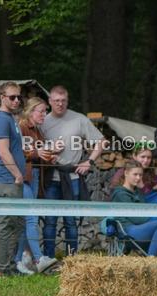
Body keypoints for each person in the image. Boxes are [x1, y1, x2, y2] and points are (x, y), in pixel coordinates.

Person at [40, 85, 105, 257]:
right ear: (50, 101)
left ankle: (72, 261)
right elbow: (34, 147)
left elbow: (102, 141)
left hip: (73, 176)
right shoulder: (43, 120)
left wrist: (89, 161)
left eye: (63, 101)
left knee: (70, 221)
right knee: (50, 221)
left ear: (67, 100)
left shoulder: (79, 119)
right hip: (51, 176)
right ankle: (48, 259)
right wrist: (50, 150)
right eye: (56, 101)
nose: (60, 104)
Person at [14, 97, 57, 274]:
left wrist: (50, 156)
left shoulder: (37, 131)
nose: (45, 114)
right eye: (42, 111)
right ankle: (39, 259)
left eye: (45, 111)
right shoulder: (22, 127)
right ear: (30, 111)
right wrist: (37, 152)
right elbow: (16, 153)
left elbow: (37, 156)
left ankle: (17, 261)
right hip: (24, 178)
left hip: (34, 179)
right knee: (31, 218)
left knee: (27, 220)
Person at [108, 160, 157, 257]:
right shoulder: (120, 193)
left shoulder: (139, 192)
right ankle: (151, 260)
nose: (138, 178)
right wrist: (152, 223)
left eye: (140, 175)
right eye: (135, 174)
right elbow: (134, 217)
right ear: (126, 173)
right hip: (127, 230)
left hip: (140, 228)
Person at [0, 82, 27, 276]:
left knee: (17, 222)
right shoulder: (2, 119)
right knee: (7, 224)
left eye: (19, 97)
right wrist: (17, 174)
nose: (16, 100)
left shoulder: (10, 117)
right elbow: (3, 152)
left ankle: (10, 265)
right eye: (12, 97)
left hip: (9, 178)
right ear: (2, 97)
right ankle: (3, 269)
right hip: (6, 179)